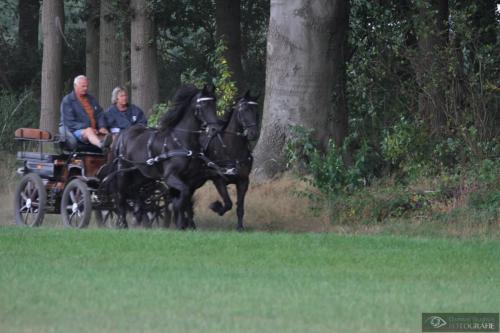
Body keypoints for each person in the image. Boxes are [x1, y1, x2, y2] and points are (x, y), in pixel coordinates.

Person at [60, 75, 112, 150]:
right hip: (74, 132)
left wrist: (102, 126)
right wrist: (87, 127)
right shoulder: (67, 101)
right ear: (75, 86)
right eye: (83, 86)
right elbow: (69, 123)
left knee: (110, 135)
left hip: (95, 130)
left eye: (87, 86)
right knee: (89, 131)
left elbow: (100, 114)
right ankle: (101, 145)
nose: (85, 88)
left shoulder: (91, 99)